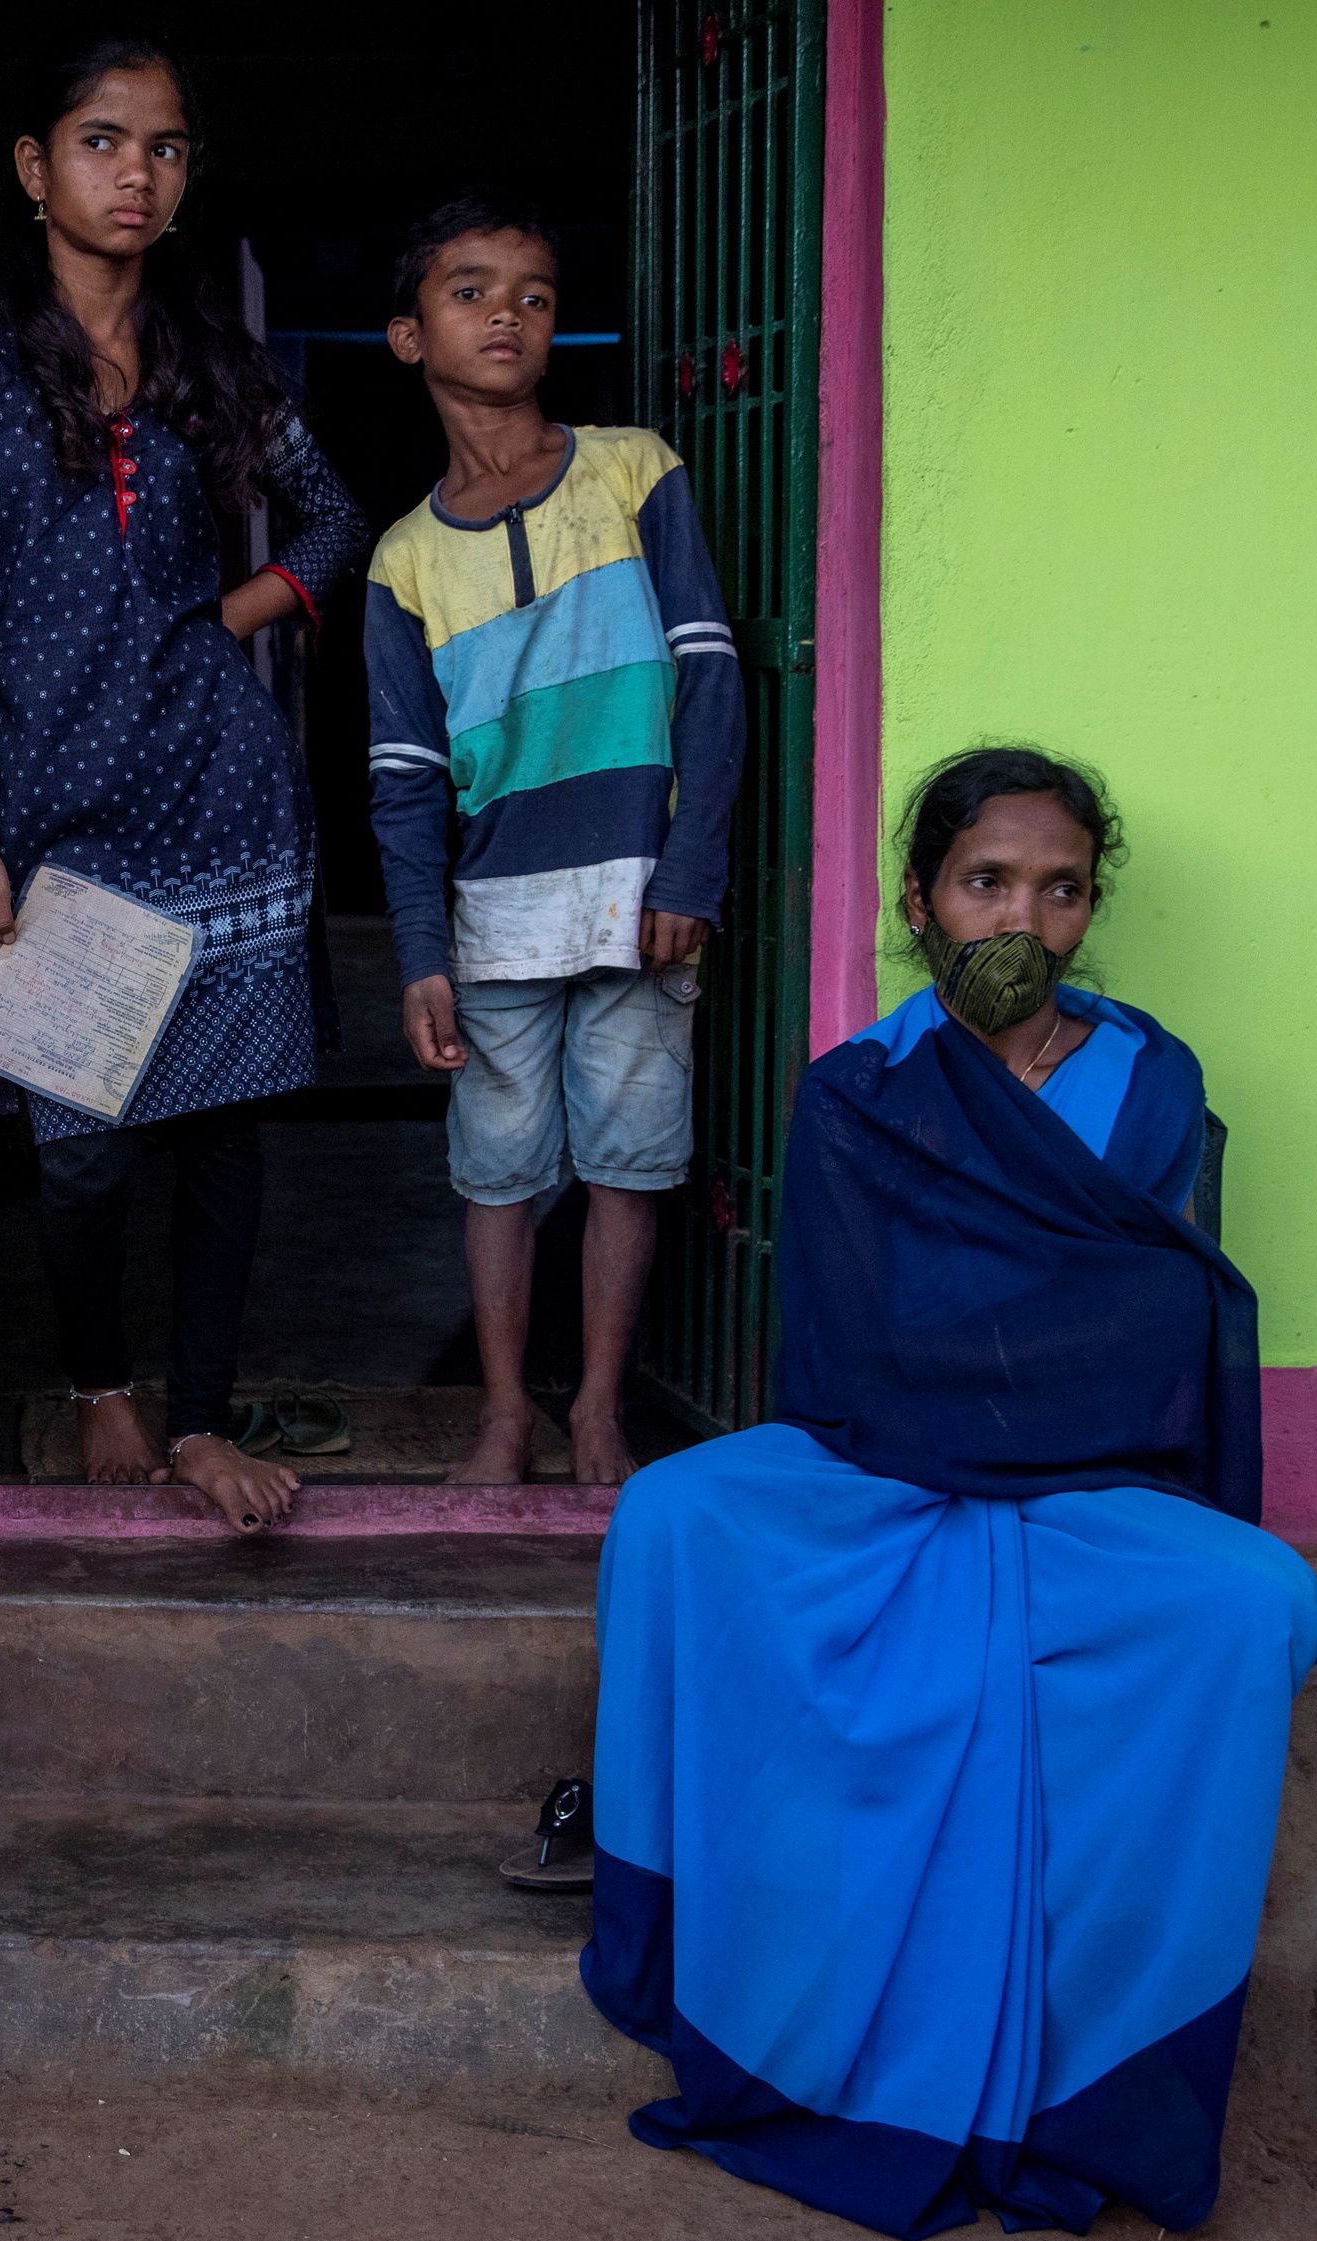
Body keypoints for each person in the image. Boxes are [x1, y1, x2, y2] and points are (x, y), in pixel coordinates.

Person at [578, 747, 1317, 2241]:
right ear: (921, 901)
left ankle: (1109, 2066)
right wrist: (995, 1375)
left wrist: (1000, 1378)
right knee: (671, 1517)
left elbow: (1141, 1340)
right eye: (988, 880)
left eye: (1060, 890)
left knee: (1261, 1598)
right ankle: (705, 1955)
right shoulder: (859, 1093)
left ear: (1086, 909)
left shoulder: (1150, 1077)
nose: (1022, 918)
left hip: (1086, 1487)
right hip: (883, 1474)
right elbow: (860, 1350)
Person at [0, 37, 369, 1532]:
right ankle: (100, 1380)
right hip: (52, 813)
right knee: (82, 1150)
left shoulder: (210, 364)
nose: (137, 172)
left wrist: (222, 619)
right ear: (35, 168)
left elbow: (330, 518)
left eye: (166, 148)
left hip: (219, 791)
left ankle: (197, 1421)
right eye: (103, 141)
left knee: (223, 1133)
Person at [364, 194, 743, 1488]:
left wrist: (692, 867)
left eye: (532, 293)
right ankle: (504, 1415)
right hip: (494, 910)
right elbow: (405, 780)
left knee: (632, 1158)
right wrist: (421, 951)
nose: (507, 315)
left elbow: (711, 672)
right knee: (496, 1172)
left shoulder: (635, 469)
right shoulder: (402, 561)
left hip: (641, 892)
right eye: (469, 292)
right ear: (409, 336)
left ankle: (593, 1408)